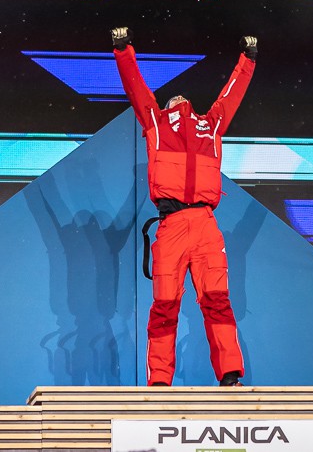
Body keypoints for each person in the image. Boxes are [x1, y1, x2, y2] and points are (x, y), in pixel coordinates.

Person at [112, 27, 256, 387]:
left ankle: (230, 376)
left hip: (205, 224)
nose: (177, 97)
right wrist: (123, 50)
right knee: (164, 305)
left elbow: (232, 94)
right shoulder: (156, 123)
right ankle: (160, 383)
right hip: (172, 225)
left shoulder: (211, 125)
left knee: (217, 300)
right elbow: (137, 88)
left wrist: (248, 60)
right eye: (170, 98)